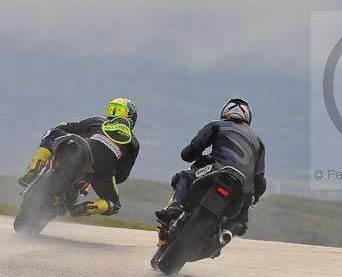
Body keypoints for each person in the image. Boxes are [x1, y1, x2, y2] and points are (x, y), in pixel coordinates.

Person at [155, 99, 266, 236]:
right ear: (248, 118)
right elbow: (260, 178)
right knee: (241, 218)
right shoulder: (259, 142)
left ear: (225, 112)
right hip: (244, 189)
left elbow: (191, 151)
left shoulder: (216, 126)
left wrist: (193, 155)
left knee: (182, 177)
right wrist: (254, 198)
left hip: (218, 171)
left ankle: (175, 206)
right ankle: (237, 223)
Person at [18, 98, 140, 216]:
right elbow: (121, 175)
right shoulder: (133, 143)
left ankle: (34, 167)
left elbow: (64, 127)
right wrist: (106, 176)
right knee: (114, 205)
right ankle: (85, 209)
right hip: (101, 172)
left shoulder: (97, 121)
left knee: (52, 132)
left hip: (80, 151)